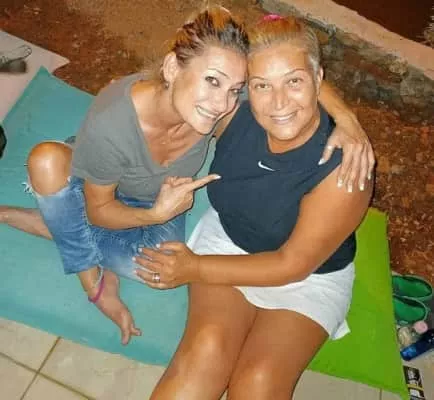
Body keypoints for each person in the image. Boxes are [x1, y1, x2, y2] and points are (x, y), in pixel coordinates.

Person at [0, 7, 373, 346]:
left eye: (235, 89)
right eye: (211, 81)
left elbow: (288, 62)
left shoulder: (222, 106)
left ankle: (59, 221)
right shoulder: (114, 123)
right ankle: (71, 233)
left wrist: (346, 117)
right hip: (113, 189)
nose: (221, 104)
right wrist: (152, 218)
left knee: (154, 272)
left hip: (160, 195)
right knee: (49, 164)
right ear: (172, 68)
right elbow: (99, 212)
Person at [134, 14, 374, 400]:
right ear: (247, 86)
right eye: (262, 85)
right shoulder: (233, 109)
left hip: (307, 277)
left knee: (258, 381)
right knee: (205, 350)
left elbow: (291, 265)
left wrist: (192, 267)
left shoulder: (346, 165)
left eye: (294, 82)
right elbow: (181, 81)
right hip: (229, 242)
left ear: (318, 79)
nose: (278, 103)